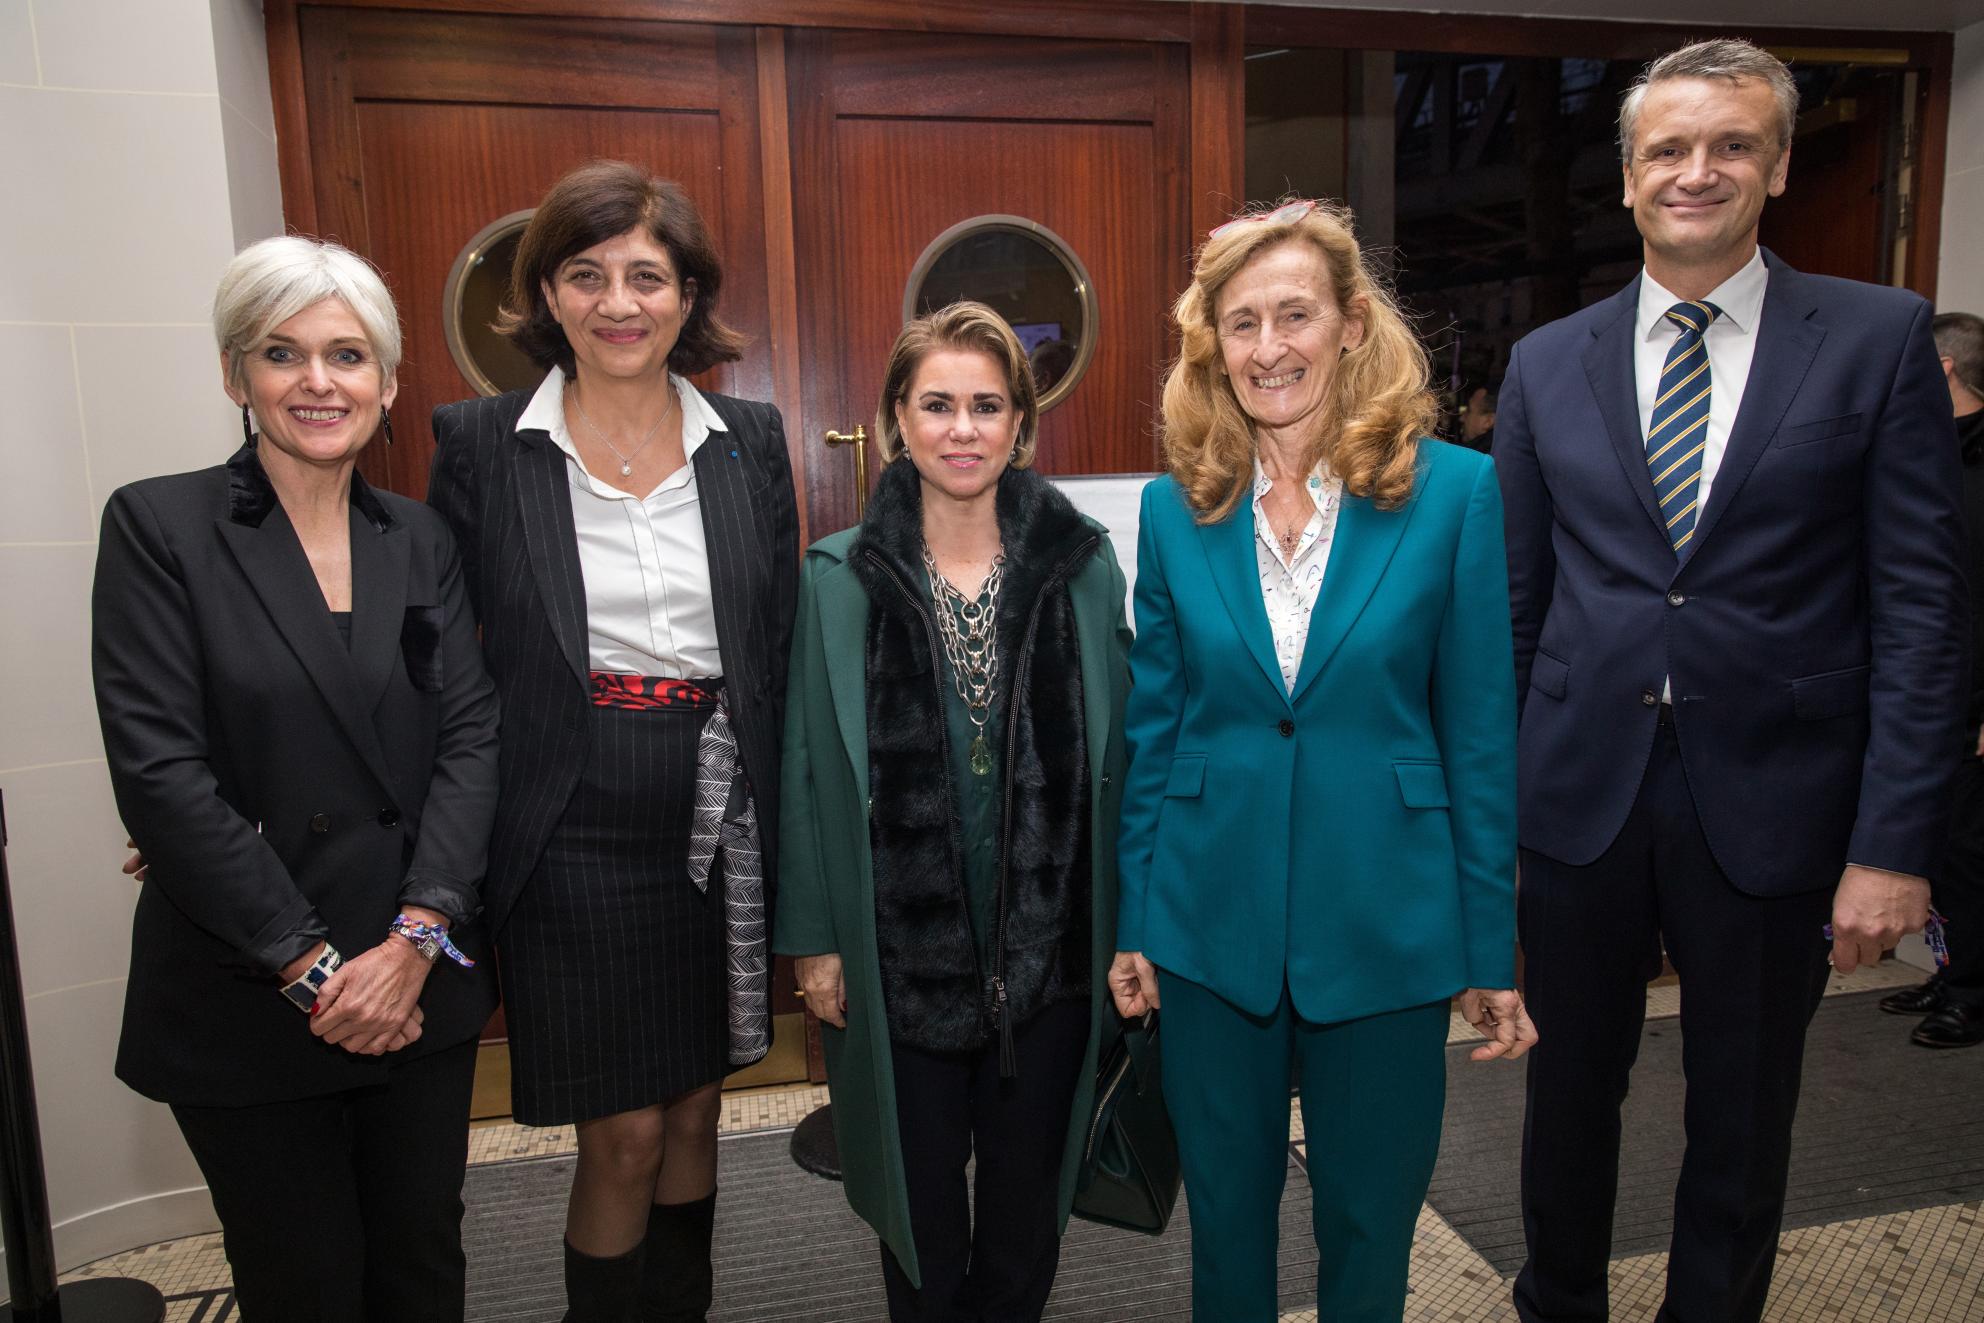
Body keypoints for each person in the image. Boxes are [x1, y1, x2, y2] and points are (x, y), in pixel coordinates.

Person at [1495, 40, 1968, 1323]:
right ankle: (1558, 1304)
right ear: (1629, 174)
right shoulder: (1547, 363)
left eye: (1729, 145)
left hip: (1778, 799)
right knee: (1562, 1100)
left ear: (1774, 165)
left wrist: (1891, 844)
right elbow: (1521, 609)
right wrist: (1497, 820)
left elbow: (1923, 614)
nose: (1695, 171)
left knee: (1744, 1108)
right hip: (1577, 799)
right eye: (1666, 148)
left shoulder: (1877, 340)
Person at [1110, 198, 1533, 1322]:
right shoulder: (1173, 507)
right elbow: (1155, 731)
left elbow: (1479, 736)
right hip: (1208, 917)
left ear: (1351, 325)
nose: (1266, 348)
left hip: (1386, 918)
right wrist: (1136, 918)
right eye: (1238, 324)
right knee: (1227, 1225)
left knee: (1368, 1222)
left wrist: (1489, 944)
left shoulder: (1455, 492)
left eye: (1292, 314)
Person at [91, 235, 501, 1321]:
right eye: (282, 353)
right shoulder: (159, 527)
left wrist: (414, 942)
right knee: (303, 1282)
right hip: (253, 984)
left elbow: (469, 742)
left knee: (422, 1266)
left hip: (415, 982)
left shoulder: (419, 538)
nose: (319, 381)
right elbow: (161, 774)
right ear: (236, 375)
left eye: (348, 355)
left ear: (390, 383)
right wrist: (315, 971)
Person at [427, 160, 798, 1322]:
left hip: (719, 814)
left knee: (697, 1109)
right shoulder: (483, 444)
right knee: (624, 1129)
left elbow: (777, 639)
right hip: (570, 818)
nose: (618, 301)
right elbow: (429, 652)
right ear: (546, 293)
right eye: (585, 274)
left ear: (689, 295)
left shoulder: (751, 437)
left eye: (648, 274)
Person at [773, 301, 1131, 1322]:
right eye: (937, 404)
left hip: (1050, 960)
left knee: (1024, 1224)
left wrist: (1132, 932)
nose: (962, 429)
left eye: (986, 405)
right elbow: (805, 766)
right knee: (921, 1226)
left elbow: (1126, 760)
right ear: (896, 417)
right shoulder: (839, 576)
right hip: (896, 965)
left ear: (1020, 421)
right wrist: (816, 943)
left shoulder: (1083, 565)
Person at [1878, 310, 1984, 1048]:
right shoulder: (1922, 456)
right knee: (1938, 854)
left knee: (1973, 858)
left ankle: (1974, 992)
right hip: (1931, 696)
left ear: (1941, 368)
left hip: (1976, 707)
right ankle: (1949, 973)